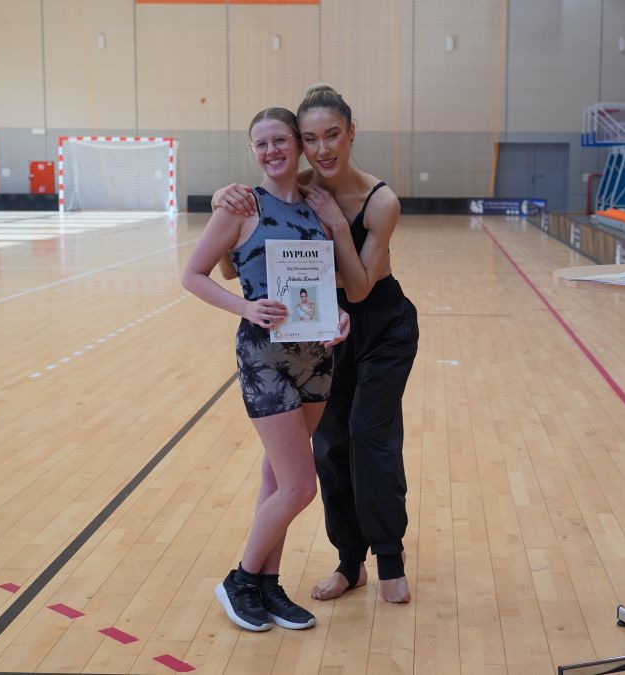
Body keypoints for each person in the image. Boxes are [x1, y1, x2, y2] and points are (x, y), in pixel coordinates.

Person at [213, 84, 419, 604]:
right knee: (328, 448)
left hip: (381, 325)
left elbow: (360, 288)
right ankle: (349, 563)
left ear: (351, 133)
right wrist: (224, 199)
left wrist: (337, 227)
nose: (323, 149)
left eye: (333, 135)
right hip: (319, 327)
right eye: (311, 139)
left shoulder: (381, 202)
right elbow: (242, 243)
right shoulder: (297, 188)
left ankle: (390, 559)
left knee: (370, 437)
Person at [181, 107, 349, 632]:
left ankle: (268, 587)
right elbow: (193, 275)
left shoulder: (317, 209)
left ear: (297, 144)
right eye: (261, 144)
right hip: (264, 358)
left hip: (316, 358)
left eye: (280, 140)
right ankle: (241, 579)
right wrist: (246, 308)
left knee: (277, 477)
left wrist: (337, 314)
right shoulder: (240, 205)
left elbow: (323, 284)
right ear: (253, 152)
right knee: (300, 486)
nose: (271, 151)